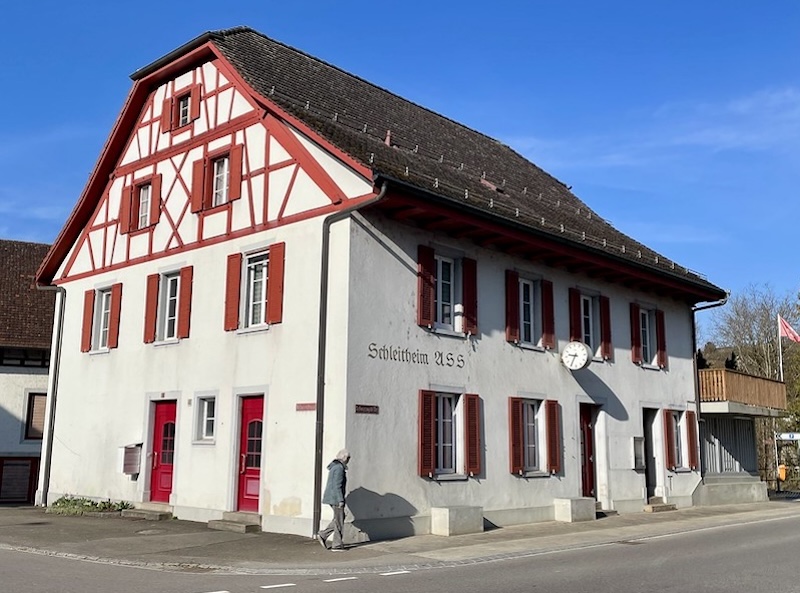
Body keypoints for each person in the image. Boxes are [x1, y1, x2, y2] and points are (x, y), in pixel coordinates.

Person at [316, 449, 350, 551]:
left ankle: (323, 535)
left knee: (338, 518)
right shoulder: (339, 468)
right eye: (348, 458)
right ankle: (337, 544)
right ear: (344, 458)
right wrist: (340, 500)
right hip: (335, 498)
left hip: (331, 497)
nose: (349, 460)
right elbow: (337, 486)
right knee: (339, 520)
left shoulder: (334, 467)